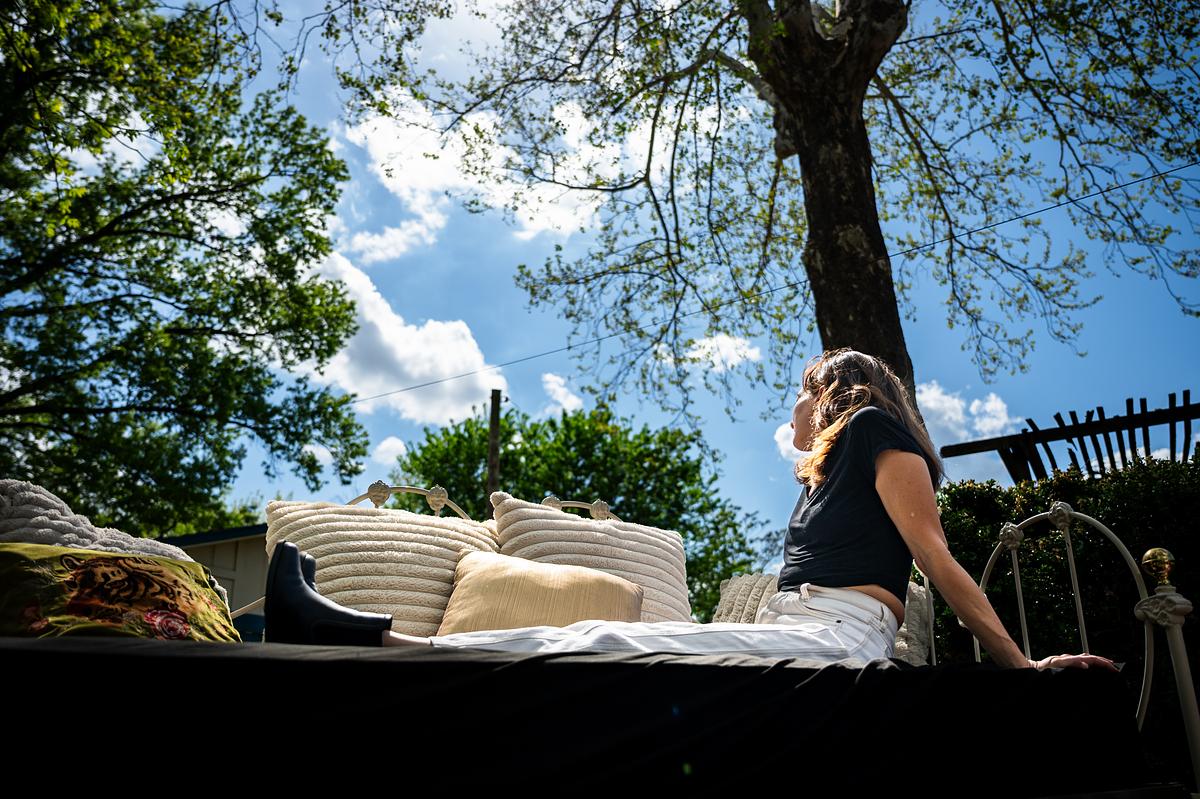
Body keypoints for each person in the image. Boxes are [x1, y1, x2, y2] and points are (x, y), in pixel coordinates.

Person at [263, 348, 1116, 670]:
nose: (792, 403)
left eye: (801, 387)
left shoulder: (874, 429)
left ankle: (374, 642)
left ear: (833, 389)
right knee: (602, 643)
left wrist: (1021, 665)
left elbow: (934, 556)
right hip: (798, 630)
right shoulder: (828, 472)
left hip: (834, 641)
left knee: (602, 639)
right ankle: (373, 639)